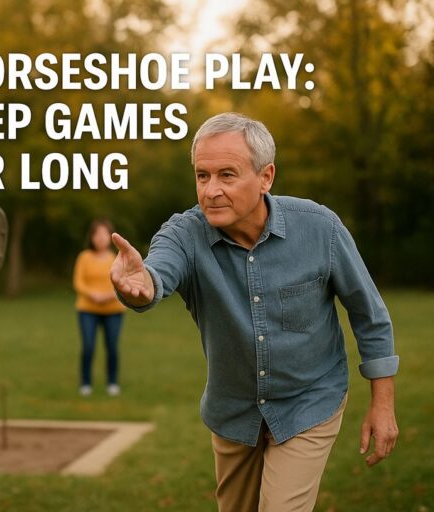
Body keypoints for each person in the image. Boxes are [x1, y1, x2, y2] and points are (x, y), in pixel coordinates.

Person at [110, 112, 399, 512]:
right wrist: (141, 288)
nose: (211, 191)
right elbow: (157, 274)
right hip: (233, 412)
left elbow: (370, 316)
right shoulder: (183, 234)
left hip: (309, 401)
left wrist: (382, 406)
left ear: (266, 177)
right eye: (202, 176)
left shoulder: (320, 229)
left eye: (227, 175)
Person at [73, 219, 127, 397]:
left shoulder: (118, 258)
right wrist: (92, 295)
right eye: (97, 234)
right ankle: (86, 383)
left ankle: (112, 382)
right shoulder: (84, 258)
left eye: (104, 234)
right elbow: (78, 282)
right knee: (88, 346)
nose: (100, 238)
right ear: (92, 237)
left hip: (113, 310)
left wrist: (110, 295)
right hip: (88, 309)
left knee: (112, 347)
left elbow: (124, 281)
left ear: (111, 237)